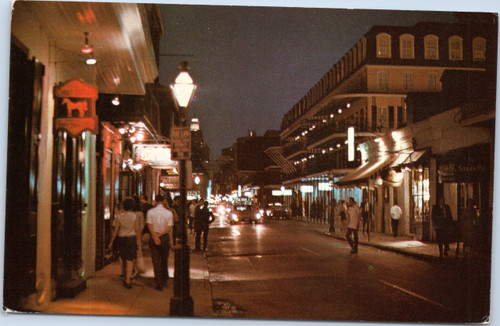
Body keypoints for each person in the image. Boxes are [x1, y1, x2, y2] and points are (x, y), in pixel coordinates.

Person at [108, 197, 141, 289]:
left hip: (121, 238)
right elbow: (137, 230)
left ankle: (124, 275)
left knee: (122, 258)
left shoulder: (119, 216)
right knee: (130, 259)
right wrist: (139, 242)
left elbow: (116, 230)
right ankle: (128, 280)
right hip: (131, 238)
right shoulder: (134, 216)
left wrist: (111, 241)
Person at [146, 194, 175, 290]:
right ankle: (164, 279)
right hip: (164, 237)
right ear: (163, 201)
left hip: (153, 236)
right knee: (164, 259)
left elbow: (149, 224)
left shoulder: (150, 212)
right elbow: (169, 227)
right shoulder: (169, 213)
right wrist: (160, 235)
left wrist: (154, 235)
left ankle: (158, 281)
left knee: (156, 260)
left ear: (155, 201)